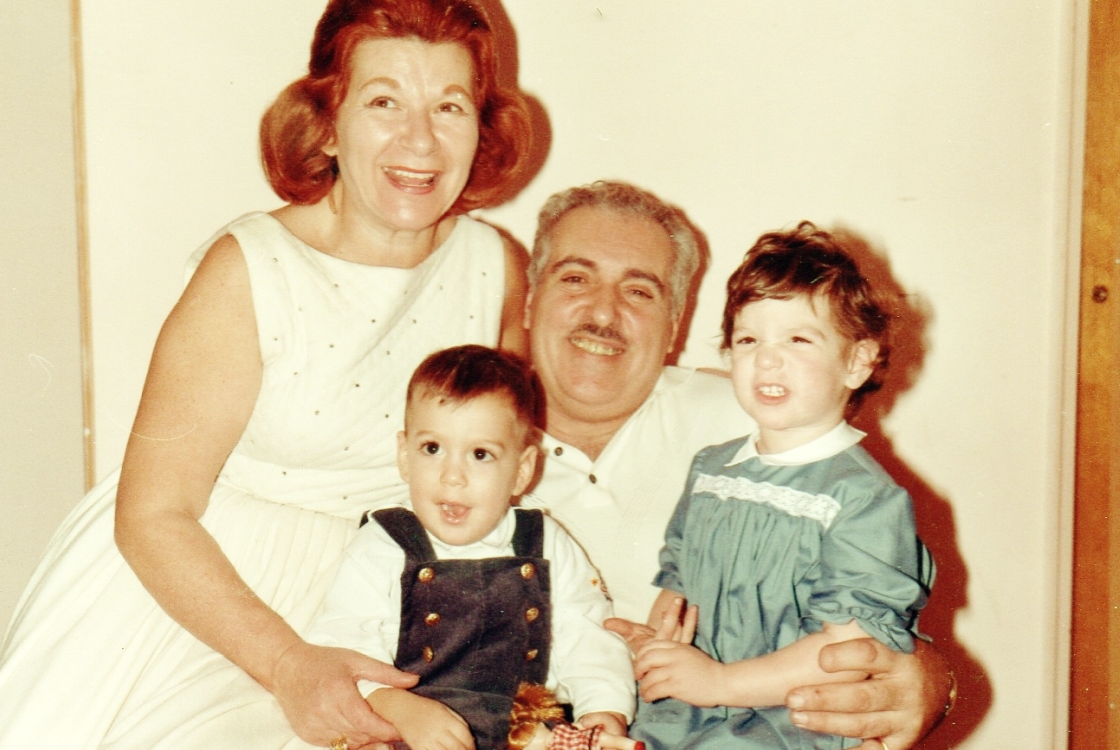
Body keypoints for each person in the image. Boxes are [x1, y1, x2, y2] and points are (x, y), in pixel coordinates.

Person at [0, 1, 533, 748]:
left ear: (482, 127)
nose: (420, 140)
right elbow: (152, 514)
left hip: (383, 604)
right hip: (205, 606)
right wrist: (287, 663)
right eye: (383, 102)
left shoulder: (493, 266)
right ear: (327, 123)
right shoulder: (248, 269)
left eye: (449, 106)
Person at [519, 181, 955, 750]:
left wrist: (931, 682)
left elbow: (875, 623)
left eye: (639, 291)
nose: (604, 312)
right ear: (529, 301)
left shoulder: (757, 417)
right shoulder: (456, 439)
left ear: (675, 323)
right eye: (575, 278)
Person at [627, 221, 933, 749]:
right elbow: (677, 582)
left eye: (798, 339)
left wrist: (719, 683)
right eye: (748, 339)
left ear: (857, 362)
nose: (767, 358)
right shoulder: (712, 469)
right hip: (686, 713)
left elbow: (846, 653)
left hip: (790, 723)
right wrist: (655, 653)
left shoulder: (865, 499)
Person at [304, 345, 638, 750]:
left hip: (523, 731)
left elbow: (586, 633)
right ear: (404, 456)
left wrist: (604, 709)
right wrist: (397, 707)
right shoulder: (384, 544)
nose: (453, 476)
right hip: (405, 729)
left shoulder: (544, 541)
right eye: (432, 448)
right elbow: (341, 649)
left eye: (480, 454)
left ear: (522, 470)